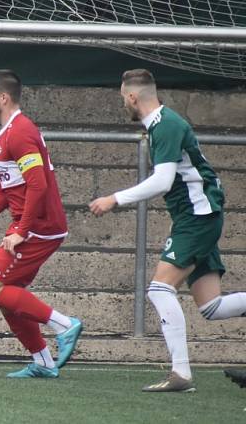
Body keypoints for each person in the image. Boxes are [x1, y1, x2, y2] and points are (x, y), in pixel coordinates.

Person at [90, 68, 246, 392]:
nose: (124, 105)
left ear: (133, 97)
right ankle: (181, 374)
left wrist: (113, 199)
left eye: (123, 99)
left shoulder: (166, 125)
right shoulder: (161, 126)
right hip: (198, 216)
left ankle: (181, 374)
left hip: (197, 216)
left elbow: (162, 180)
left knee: (159, 289)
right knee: (211, 306)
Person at [0, 69, 82, 379]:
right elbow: (4, 193)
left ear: (3, 98)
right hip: (32, 224)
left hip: (40, 227)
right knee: (8, 295)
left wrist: (21, 232)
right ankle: (44, 363)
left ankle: (65, 325)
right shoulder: (8, 134)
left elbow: (38, 186)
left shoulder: (21, 132)